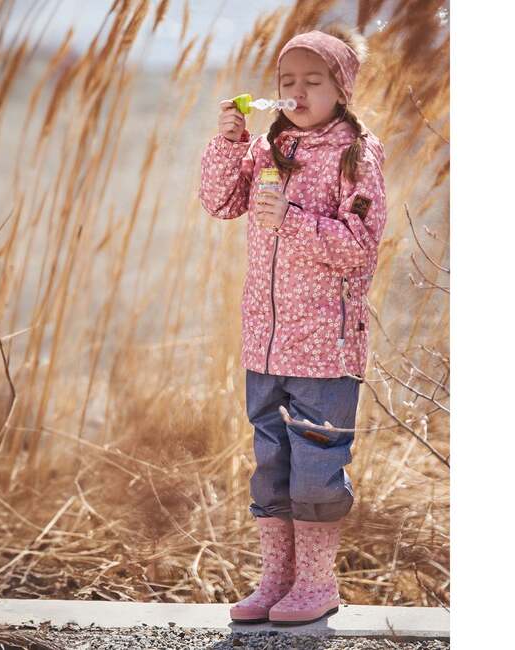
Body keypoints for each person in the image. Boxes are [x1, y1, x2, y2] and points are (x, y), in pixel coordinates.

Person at [199, 24, 387, 625]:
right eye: (287, 81)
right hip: (264, 341)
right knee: (271, 467)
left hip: (326, 351)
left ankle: (317, 584)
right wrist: (230, 143)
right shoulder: (266, 149)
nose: (298, 92)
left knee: (316, 469)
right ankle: (276, 581)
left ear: (342, 89)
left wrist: (295, 219)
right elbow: (219, 203)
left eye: (314, 81)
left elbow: (361, 247)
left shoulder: (356, 153)